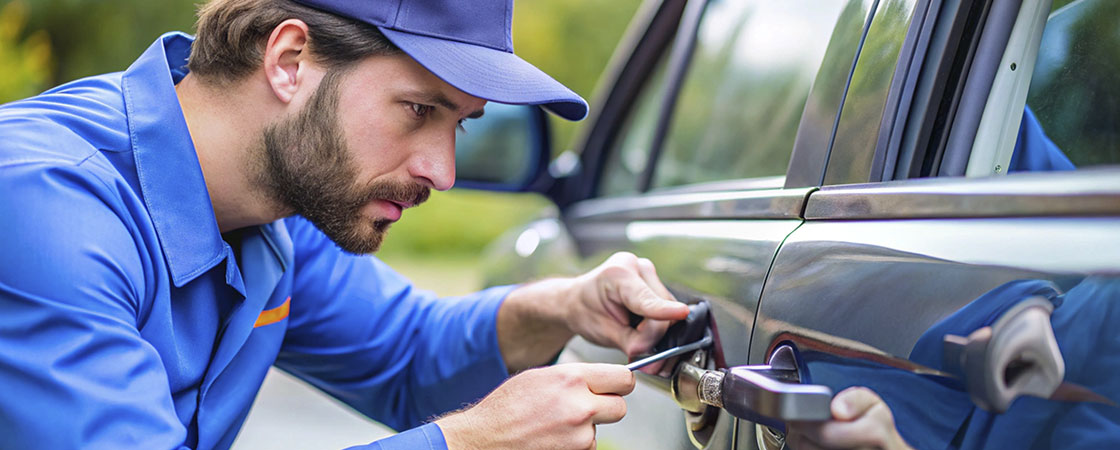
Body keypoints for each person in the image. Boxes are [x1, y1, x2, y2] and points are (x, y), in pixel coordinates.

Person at [0, 0, 692, 448]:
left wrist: (562, 306)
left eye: (461, 124)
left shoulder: (273, 205)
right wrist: (471, 441)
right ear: (289, 62)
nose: (443, 174)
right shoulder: (41, 204)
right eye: (419, 109)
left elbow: (405, 358)